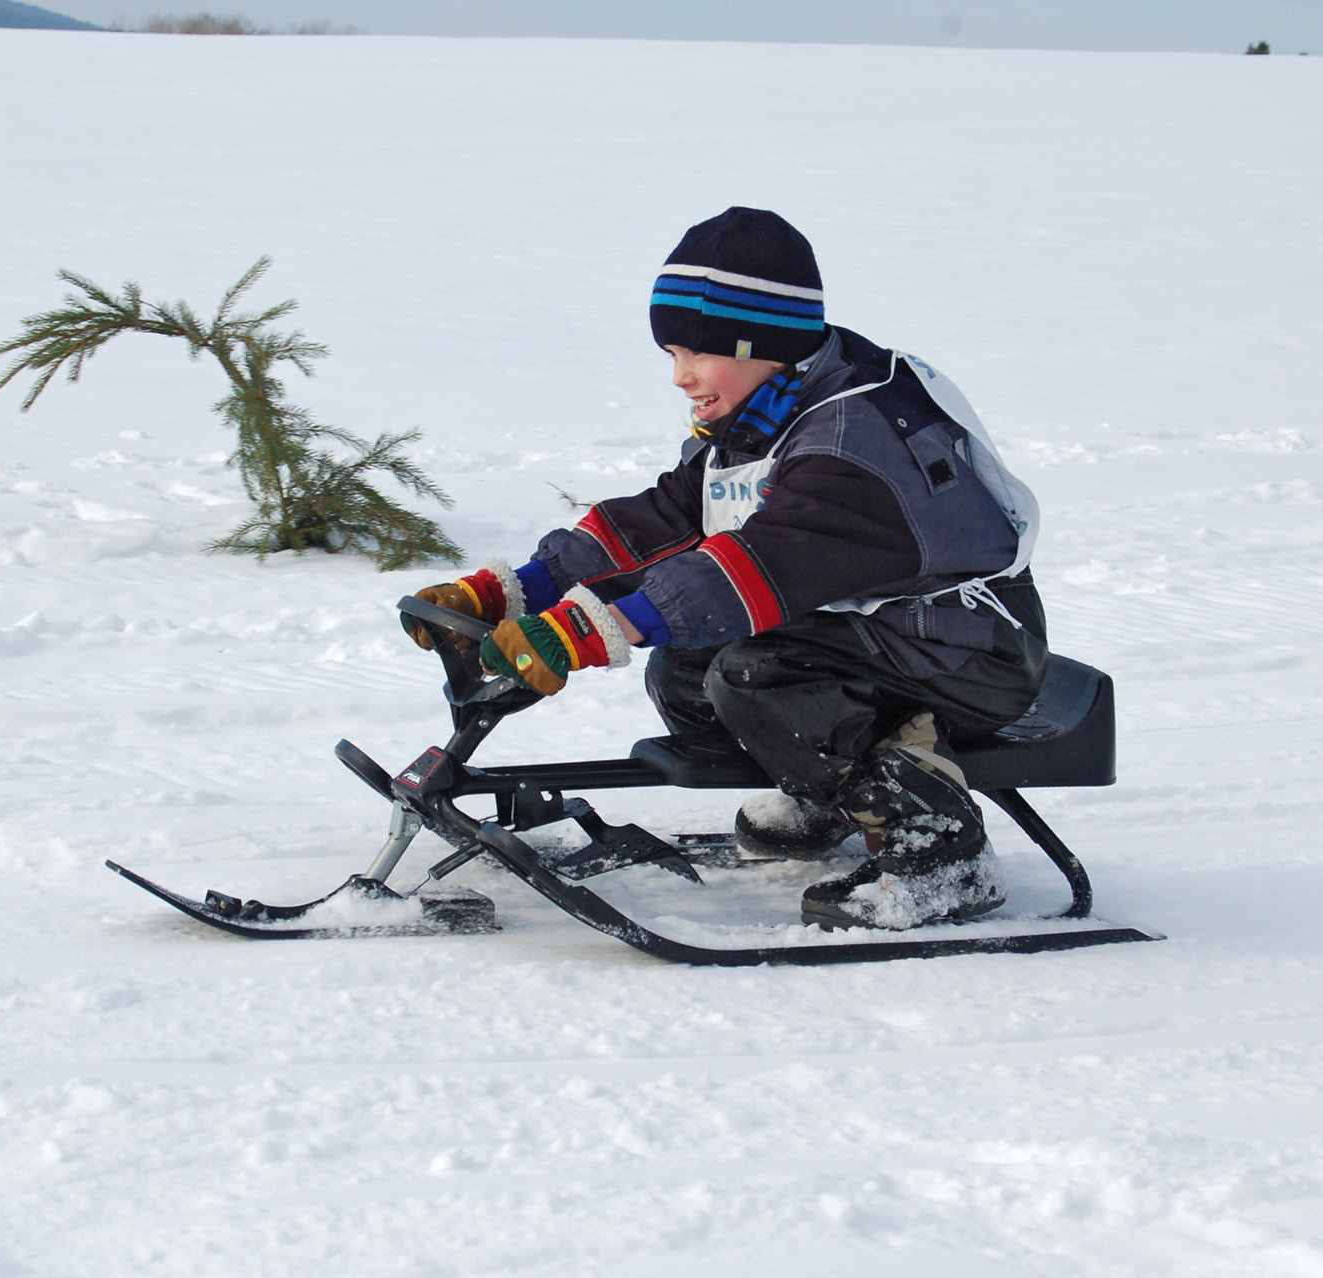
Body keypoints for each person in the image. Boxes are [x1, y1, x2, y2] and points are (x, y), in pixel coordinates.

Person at [404, 207, 1046, 931]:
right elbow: (664, 524)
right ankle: (832, 796)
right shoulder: (768, 411)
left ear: (758, 341)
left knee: (755, 676)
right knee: (686, 673)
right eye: (671, 355)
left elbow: (749, 570)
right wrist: (518, 589)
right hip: (881, 628)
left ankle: (941, 854)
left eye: (694, 354)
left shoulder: (854, 444)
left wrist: (591, 630)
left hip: (967, 648)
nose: (680, 377)